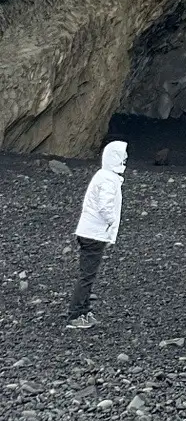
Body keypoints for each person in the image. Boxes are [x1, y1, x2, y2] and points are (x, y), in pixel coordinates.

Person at [67, 140, 127, 329]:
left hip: (89, 232)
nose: (125, 159)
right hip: (94, 234)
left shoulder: (103, 176)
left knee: (87, 275)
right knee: (87, 276)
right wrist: (111, 222)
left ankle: (84, 312)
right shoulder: (109, 179)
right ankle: (76, 314)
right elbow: (105, 206)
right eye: (123, 156)